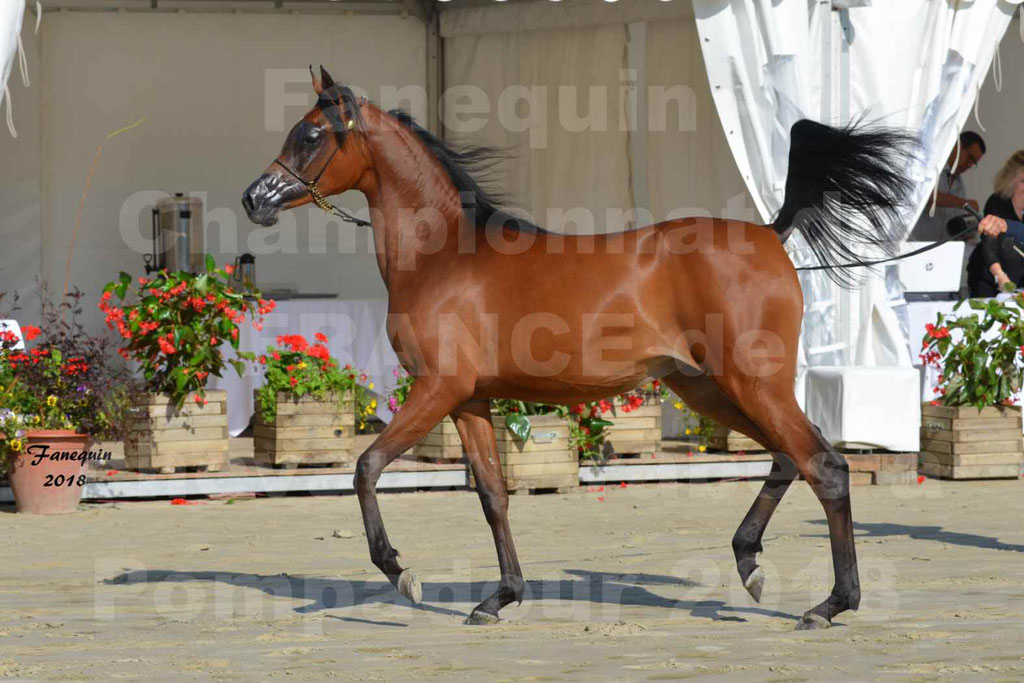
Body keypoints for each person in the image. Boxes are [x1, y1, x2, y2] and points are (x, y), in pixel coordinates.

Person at [908, 130, 986, 242]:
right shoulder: (931, 169)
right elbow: (924, 196)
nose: (969, 165)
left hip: (940, 251)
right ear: (957, 146)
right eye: (970, 157)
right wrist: (962, 203)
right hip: (915, 244)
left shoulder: (960, 186)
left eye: (974, 163)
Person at [968, 151, 1024, 296]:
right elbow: (988, 245)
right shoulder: (997, 203)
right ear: (1011, 180)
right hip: (989, 279)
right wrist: (1000, 276)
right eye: (1023, 181)